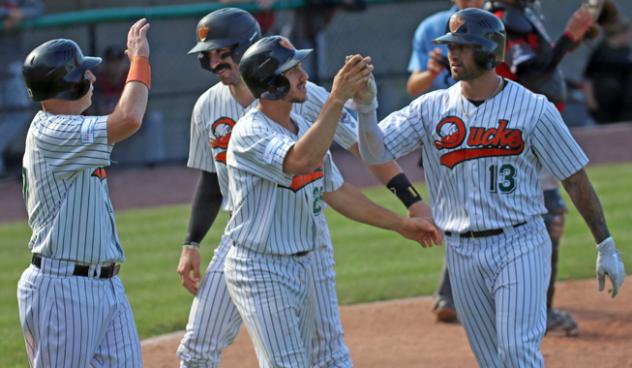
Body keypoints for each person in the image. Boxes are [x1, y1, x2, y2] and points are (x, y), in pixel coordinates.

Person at [355, 8, 625, 367]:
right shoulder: (430, 108)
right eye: (451, 45)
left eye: (463, 46)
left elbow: (574, 178)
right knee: (491, 360)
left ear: (489, 51)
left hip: (520, 243)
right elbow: (375, 149)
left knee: (516, 351)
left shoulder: (534, 110)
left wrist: (605, 243)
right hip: (460, 252)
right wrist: (365, 107)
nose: (453, 53)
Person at [176, 8, 439, 367]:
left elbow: (346, 174)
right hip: (255, 252)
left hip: (305, 239)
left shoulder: (301, 114)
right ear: (271, 79)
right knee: (206, 348)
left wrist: (406, 213)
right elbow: (292, 162)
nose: (215, 62)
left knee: (326, 353)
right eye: (209, 56)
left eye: (223, 52)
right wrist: (191, 242)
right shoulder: (240, 124)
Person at [17, 19, 151, 366]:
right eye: (83, 73)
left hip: (106, 285)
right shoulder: (52, 131)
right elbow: (129, 119)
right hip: (63, 289)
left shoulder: (69, 128)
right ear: (66, 84)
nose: (92, 78)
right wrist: (139, 61)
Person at [486, 0, 596, 337]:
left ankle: (529, 311)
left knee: (542, 219)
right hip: (520, 132)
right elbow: (533, 75)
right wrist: (568, 36)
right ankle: (536, 313)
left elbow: (537, 64)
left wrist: (572, 40)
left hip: (524, 128)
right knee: (546, 218)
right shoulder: (507, 20)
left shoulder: (517, 17)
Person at [406, 0, 484, 323]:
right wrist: (432, 72)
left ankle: (453, 292)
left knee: (478, 206)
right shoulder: (431, 27)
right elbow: (414, 86)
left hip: (489, 128)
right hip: (445, 133)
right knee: (461, 210)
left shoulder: (498, 21)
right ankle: (454, 292)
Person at [93, 45, 166, 166]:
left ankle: (154, 163)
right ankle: (100, 166)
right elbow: (95, 111)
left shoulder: (131, 78)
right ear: (106, 64)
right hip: (108, 126)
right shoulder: (98, 81)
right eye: (111, 62)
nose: (115, 66)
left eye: (118, 61)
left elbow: (144, 107)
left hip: (131, 122)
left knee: (154, 118)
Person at [0, 0, 43, 177]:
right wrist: (7, 13)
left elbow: (37, 8)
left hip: (10, 62)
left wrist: (20, 14)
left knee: (20, 111)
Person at [406, 0, 484, 98]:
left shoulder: (502, 22)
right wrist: (431, 74)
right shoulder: (430, 28)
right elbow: (412, 87)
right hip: (448, 105)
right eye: (451, 46)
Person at [584, 18, 632, 124]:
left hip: (624, 103)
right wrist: (590, 99)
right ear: (620, 33)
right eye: (627, 33)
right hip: (604, 102)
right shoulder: (601, 51)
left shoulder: (626, 50)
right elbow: (588, 77)